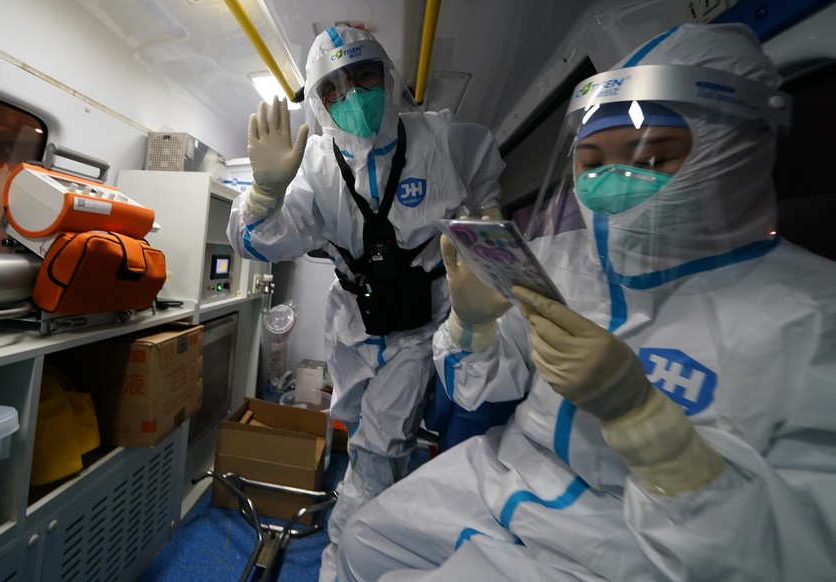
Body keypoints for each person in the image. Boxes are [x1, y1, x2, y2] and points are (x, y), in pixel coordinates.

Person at [336, 22, 836, 581]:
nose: (608, 181)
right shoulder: (558, 260)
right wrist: (472, 326)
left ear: (731, 153)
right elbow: (478, 390)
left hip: (634, 547)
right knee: (364, 542)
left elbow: (803, 553)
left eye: (651, 156)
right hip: (509, 475)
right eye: (592, 159)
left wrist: (649, 428)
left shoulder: (813, 316)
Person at [225, 25, 505, 581]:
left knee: (381, 447)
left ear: (389, 76)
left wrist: (485, 269)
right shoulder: (315, 166)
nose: (350, 96)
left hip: (417, 325)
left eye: (364, 76)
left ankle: (343, 560)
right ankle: (383, 517)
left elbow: (489, 208)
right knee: (352, 427)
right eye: (331, 88)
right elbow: (256, 241)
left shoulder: (447, 143)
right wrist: (263, 195)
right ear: (319, 102)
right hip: (352, 318)